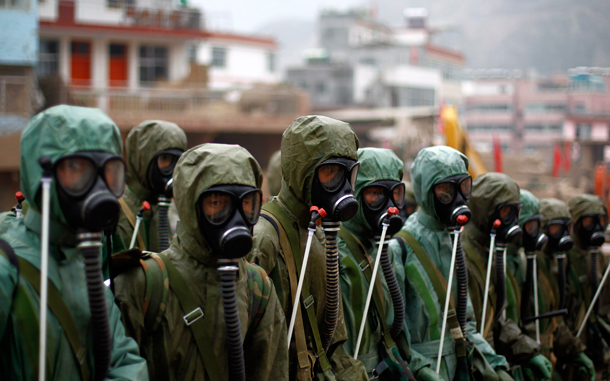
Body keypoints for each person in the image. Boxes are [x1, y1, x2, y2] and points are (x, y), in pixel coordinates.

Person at [114, 143, 288, 380]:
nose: (235, 218)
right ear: (190, 205)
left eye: (246, 204)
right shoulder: (143, 283)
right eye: (217, 203)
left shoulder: (258, 288)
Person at [0, 105, 148, 380]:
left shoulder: (88, 274)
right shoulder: (7, 271)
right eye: (76, 169)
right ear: (41, 174)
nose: (97, 187)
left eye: (107, 173)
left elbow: (125, 362)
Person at [247, 115, 368, 380]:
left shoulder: (319, 236)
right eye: (330, 173)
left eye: (349, 174)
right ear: (303, 173)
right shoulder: (263, 240)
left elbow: (333, 344)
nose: (344, 187)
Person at [390, 147, 512, 381]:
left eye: (462, 188)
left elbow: (467, 324)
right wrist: (419, 368)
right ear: (426, 190)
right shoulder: (401, 249)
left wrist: (495, 366)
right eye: (445, 190)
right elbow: (393, 333)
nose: (456, 198)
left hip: (459, 367)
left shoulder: (453, 242)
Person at [461, 173, 551, 381]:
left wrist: (529, 352)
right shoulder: (460, 256)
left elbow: (497, 321)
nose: (512, 221)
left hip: (489, 363)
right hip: (471, 367)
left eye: (515, 212)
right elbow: (463, 328)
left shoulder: (489, 256)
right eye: (505, 211)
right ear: (485, 209)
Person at [337, 147, 411, 378]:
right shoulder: (332, 251)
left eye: (395, 194)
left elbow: (396, 326)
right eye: (375, 194)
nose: (389, 205)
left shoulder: (387, 250)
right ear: (355, 193)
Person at [534, 198, 594, 381]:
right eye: (555, 228)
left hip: (555, 349)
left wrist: (573, 349)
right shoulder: (531, 263)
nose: (562, 234)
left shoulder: (560, 261)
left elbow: (558, 315)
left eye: (567, 227)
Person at [116, 120, 187, 252]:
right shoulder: (116, 212)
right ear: (142, 160)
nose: (173, 170)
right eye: (165, 158)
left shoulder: (176, 214)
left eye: (178, 161)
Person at [567, 194, 610, 374]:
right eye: (589, 222)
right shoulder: (565, 258)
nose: (597, 227)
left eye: (601, 220)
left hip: (596, 340)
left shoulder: (599, 258)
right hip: (571, 344)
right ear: (576, 222)